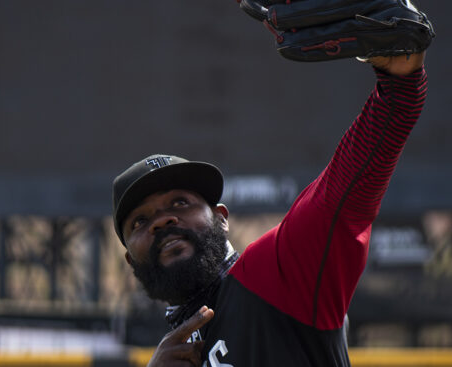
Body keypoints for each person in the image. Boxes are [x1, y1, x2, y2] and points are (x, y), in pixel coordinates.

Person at [112, 51, 426, 366]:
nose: (162, 220)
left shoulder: (274, 275)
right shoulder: (173, 352)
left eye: (180, 202)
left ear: (221, 218)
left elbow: (345, 190)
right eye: (140, 221)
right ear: (130, 259)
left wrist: (400, 81)